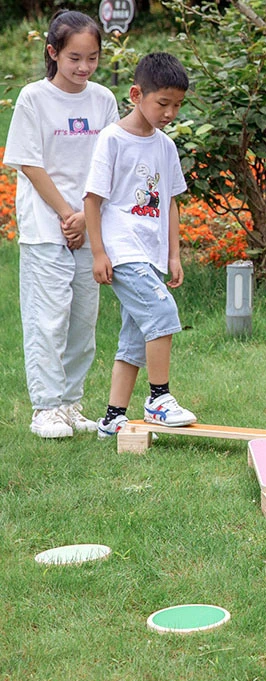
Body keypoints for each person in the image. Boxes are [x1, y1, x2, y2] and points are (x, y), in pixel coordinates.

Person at [3, 10, 120, 439]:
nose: (83, 68)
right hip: (46, 227)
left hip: (90, 225)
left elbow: (110, 163)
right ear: (53, 53)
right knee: (48, 318)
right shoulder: (34, 98)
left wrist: (85, 219)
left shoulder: (103, 100)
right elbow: (29, 162)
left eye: (92, 58)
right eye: (74, 58)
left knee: (82, 321)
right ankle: (45, 408)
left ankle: (71, 403)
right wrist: (66, 214)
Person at [84, 52, 196, 438]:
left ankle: (113, 418)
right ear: (136, 94)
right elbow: (92, 200)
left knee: (134, 335)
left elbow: (170, 201)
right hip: (122, 249)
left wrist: (173, 253)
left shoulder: (165, 146)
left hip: (150, 254)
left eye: (177, 105)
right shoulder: (112, 140)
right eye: (162, 103)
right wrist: (99, 252)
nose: (170, 112)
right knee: (162, 311)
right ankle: (158, 400)